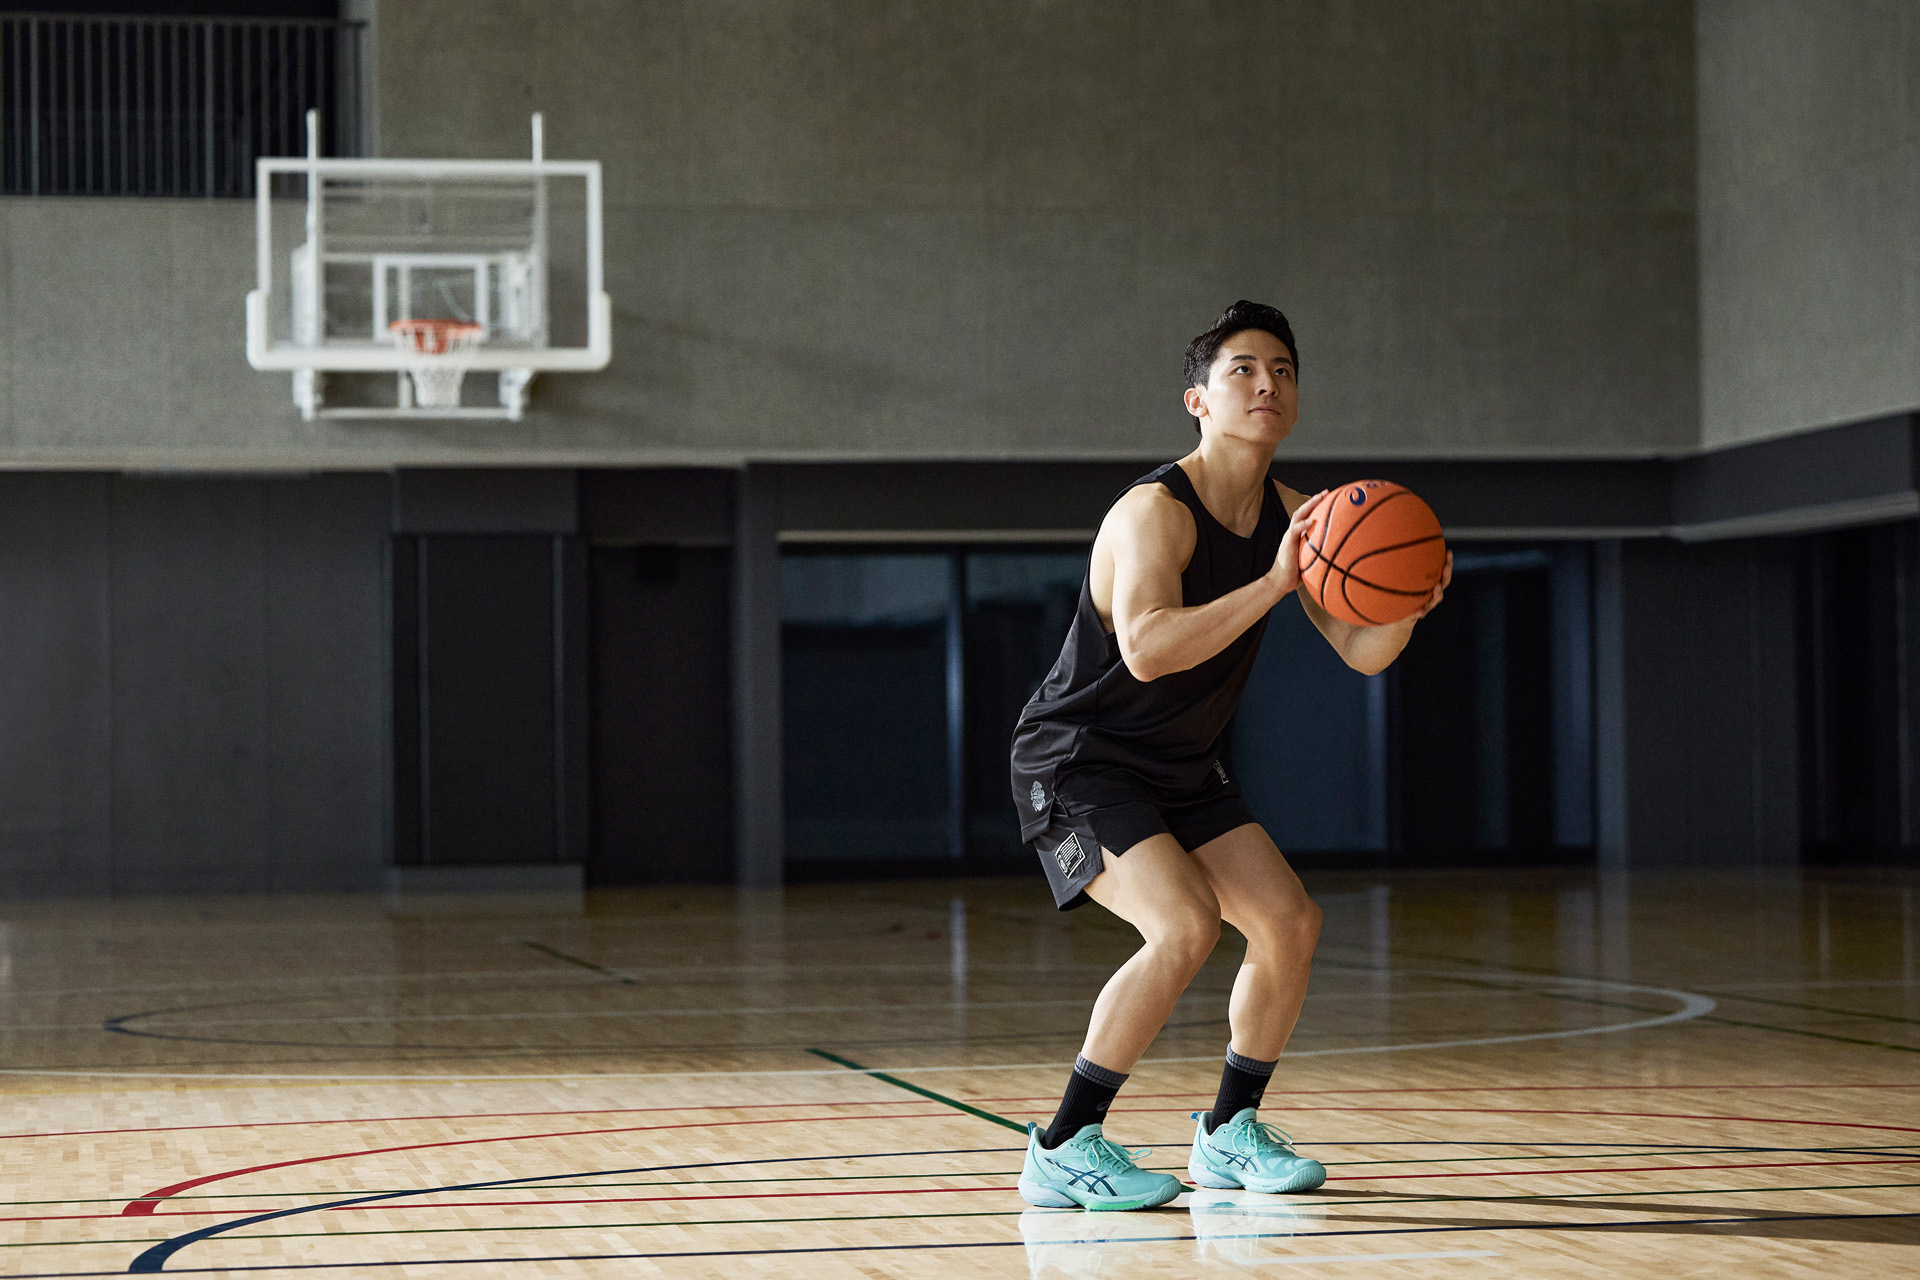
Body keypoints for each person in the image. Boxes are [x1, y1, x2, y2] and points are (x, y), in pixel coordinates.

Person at [1009, 300, 1451, 1211]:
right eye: (1243, 370)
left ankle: (1227, 1133)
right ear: (1198, 401)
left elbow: (1362, 652)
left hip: (1180, 762)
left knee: (1289, 921)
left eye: (1282, 371)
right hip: (1080, 759)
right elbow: (1148, 649)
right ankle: (1063, 1144)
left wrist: (1406, 603)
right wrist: (1273, 582)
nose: (1267, 385)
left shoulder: (1302, 519)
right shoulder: (1153, 513)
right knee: (1184, 925)